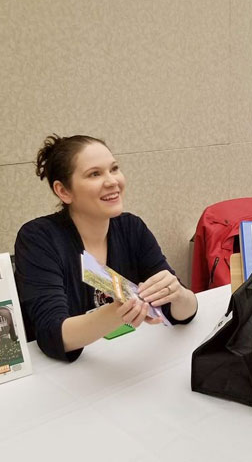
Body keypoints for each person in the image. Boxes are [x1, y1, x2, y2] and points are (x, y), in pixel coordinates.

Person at [15, 134, 198, 362]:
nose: (112, 181)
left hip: (124, 360)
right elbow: (53, 334)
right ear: (64, 191)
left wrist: (179, 295)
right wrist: (120, 312)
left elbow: (183, 312)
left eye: (114, 169)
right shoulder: (38, 238)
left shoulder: (132, 227)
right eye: (94, 174)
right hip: (61, 379)